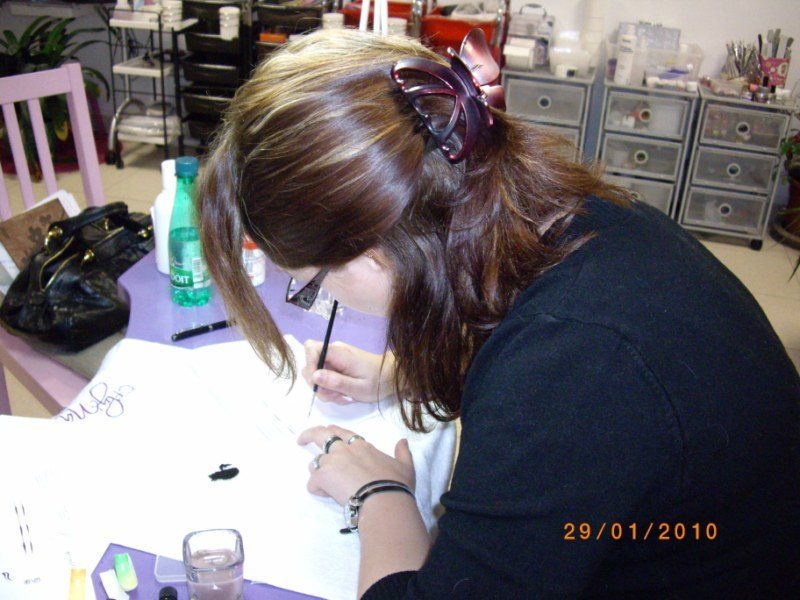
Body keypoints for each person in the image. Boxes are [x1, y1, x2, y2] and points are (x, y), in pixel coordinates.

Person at [197, 28, 800, 598]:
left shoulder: (574, 366)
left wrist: (378, 494)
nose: (320, 299)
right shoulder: (571, 220)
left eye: (311, 287)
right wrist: (402, 374)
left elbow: (561, 393)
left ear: (373, 254)